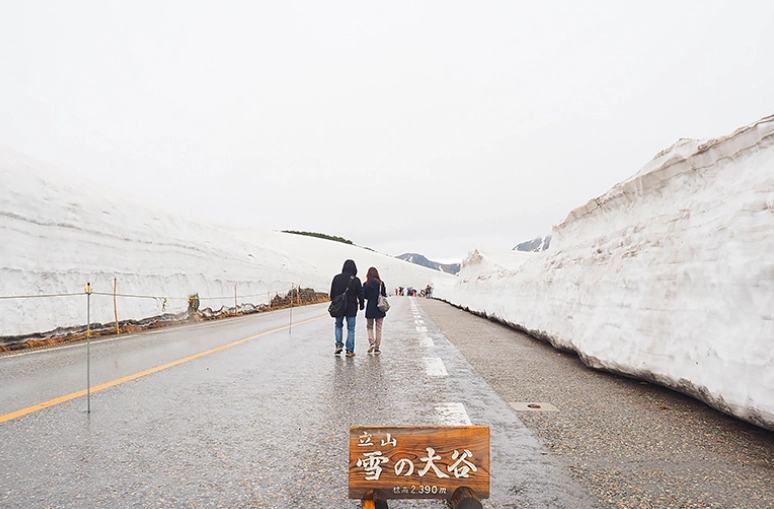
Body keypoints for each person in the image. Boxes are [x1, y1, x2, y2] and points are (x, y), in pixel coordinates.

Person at [330, 259, 364, 357]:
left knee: (338, 325)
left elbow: (332, 293)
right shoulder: (356, 280)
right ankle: (350, 350)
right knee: (351, 328)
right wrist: (361, 304)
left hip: (339, 307)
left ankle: (338, 344)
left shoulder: (337, 278)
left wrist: (335, 302)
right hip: (351, 307)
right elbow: (360, 294)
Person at [362, 267, 387, 355]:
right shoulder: (381, 283)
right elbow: (384, 295)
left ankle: (371, 342)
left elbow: (364, 296)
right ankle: (377, 348)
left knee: (369, 326)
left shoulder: (366, 284)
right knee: (378, 328)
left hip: (370, 307)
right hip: (380, 307)